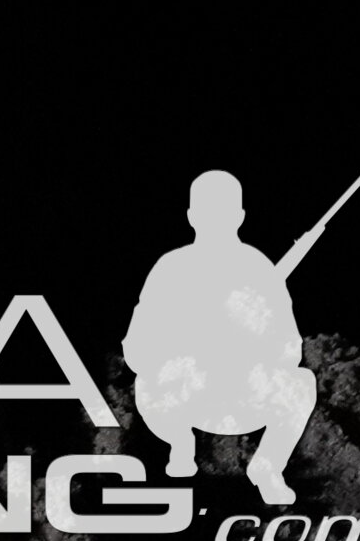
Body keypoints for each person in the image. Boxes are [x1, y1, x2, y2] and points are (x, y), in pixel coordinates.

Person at [131, 168, 323, 505]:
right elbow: (138, 348)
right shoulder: (171, 268)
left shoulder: (257, 269)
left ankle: (266, 467)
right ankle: (180, 443)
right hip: (188, 397)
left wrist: (249, 333)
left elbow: (288, 349)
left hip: (239, 397)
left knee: (301, 383)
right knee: (149, 381)